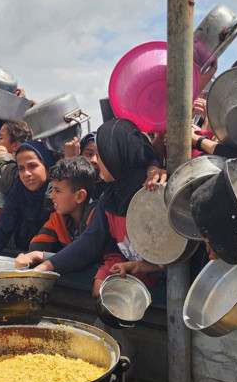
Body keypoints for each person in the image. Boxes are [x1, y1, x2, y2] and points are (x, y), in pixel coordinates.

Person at [35, 118, 163, 295]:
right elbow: (89, 241)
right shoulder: (109, 196)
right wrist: (46, 267)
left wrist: (142, 266)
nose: (96, 161)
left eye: (101, 155)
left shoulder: (151, 191)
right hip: (128, 268)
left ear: (116, 156)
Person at [15, 157, 98, 268]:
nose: (51, 195)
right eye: (52, 189)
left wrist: (42, 256)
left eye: (57, 191)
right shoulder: (58, 217)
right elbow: (36, 248)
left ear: (80, 196)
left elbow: (85, 256)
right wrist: (29, 256)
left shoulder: (96, 215)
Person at [0, 141, 56, 255]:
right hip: (22, 257)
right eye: (21, 168)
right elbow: (2, 228)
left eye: (32, 166)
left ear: (47, 165)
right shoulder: (19, 189)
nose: (26, 174)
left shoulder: (57, 192)